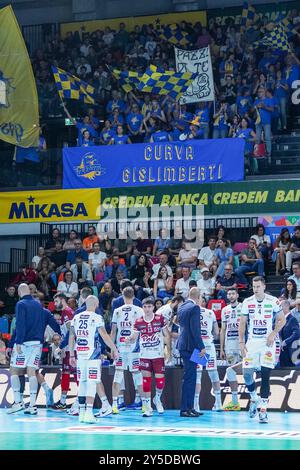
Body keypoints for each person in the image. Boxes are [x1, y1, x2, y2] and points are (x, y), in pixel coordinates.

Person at [7, 284, 61, 415]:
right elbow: (53, 322)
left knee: (14, 370)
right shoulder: (39, 306)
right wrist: (60, 333)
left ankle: (18, 402)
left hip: (24, 342)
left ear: (20, 292)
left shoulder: (21, 304)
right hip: (37, 343)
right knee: (32, 371)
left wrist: (16, 342)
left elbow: (20, 324)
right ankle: (32, 405)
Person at [239, 276, 286, 423]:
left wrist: (273, 334)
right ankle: (254, 398)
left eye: (258, 286)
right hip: (252, 343)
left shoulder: (273, 302)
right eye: (254, 286)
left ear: (264, 286)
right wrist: (241, 342)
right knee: (247, 375)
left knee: (265, 375)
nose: (256, 289)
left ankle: (263, 411)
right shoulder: (247, 302)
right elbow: (242, 323)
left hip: (267, 343)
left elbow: (282, 319)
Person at [69, 295, 119, 423]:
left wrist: (71, 355)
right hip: (93, 354)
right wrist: (114, 348)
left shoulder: (76, 317)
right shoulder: (97, 317)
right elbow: (104, 335)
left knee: (83, 382)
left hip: (80, 354)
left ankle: (81, 413)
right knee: (92, 382)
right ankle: (89, 413)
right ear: (96, 304)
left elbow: (71, 337)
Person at [126, 297, 170, 417]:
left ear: (153, 307)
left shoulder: (160, 319)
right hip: (144, 355)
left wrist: (168, 351)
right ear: (142, 308)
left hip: (158, 354)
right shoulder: (138, 321)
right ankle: (148, 407)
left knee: (160, 381)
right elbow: (134, 337)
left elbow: (167, 335)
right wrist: (129, 339)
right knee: (146, 380)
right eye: (145, 307)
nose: (147, 309)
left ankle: (157, 399)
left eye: (149, 306)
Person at [110, 286, 144, 414]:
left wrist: (112, 348)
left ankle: (116, 403)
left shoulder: (117, 311)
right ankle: (142, 402)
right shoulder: (139, 310)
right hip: (135, 347)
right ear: (134, 296)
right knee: (137, 374)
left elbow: (113, 331)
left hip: (120, 347)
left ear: (122, 296)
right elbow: (143, 329)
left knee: (118, 374)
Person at [177, 287, 206, 417]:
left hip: (183, 345)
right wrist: (202, 347)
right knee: (190, 378)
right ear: (198, 297)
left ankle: (190, 407)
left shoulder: (182, 306)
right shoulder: (195, 308)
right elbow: (195, 330)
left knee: (190, 377)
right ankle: (185, 409)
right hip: (190, 347)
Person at [194, 296, 222, 413]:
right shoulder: (211, 312)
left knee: (198, 375)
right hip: (209, 345)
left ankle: (196, 405)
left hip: (199, 346)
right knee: (213, 374)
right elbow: (216, 332)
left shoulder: (192, 312)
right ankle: (219, 403)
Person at [51, 293, 75, 411]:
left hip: (72, 348)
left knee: (76, 374)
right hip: (68, 348)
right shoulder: (64, 313)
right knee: (65, 373)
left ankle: (82, 402)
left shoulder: (67, 312)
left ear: (62, 300)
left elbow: (72, 332)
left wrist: (60, 346)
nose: (55, 304)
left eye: (56, 301)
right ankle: (63, 401)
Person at [220, 288, 242, 411]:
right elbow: (223, 330)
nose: (231, 295)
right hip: (229, 345)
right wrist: (222, 348)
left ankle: (253, 398)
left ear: (237, 295)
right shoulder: (225, 310)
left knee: (246, 372)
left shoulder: (243, 307)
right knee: (231, 372)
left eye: (233, 293)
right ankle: (235, 402)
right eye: (229, 293)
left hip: (241, 345)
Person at [279, 300, 300, 367]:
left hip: (290, 351)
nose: (279, 308)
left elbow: (297, 333)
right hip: (282, 351)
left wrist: (286, 341)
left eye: (280, 306)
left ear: (287, 306)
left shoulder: (292, 319)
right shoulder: (280, 319)